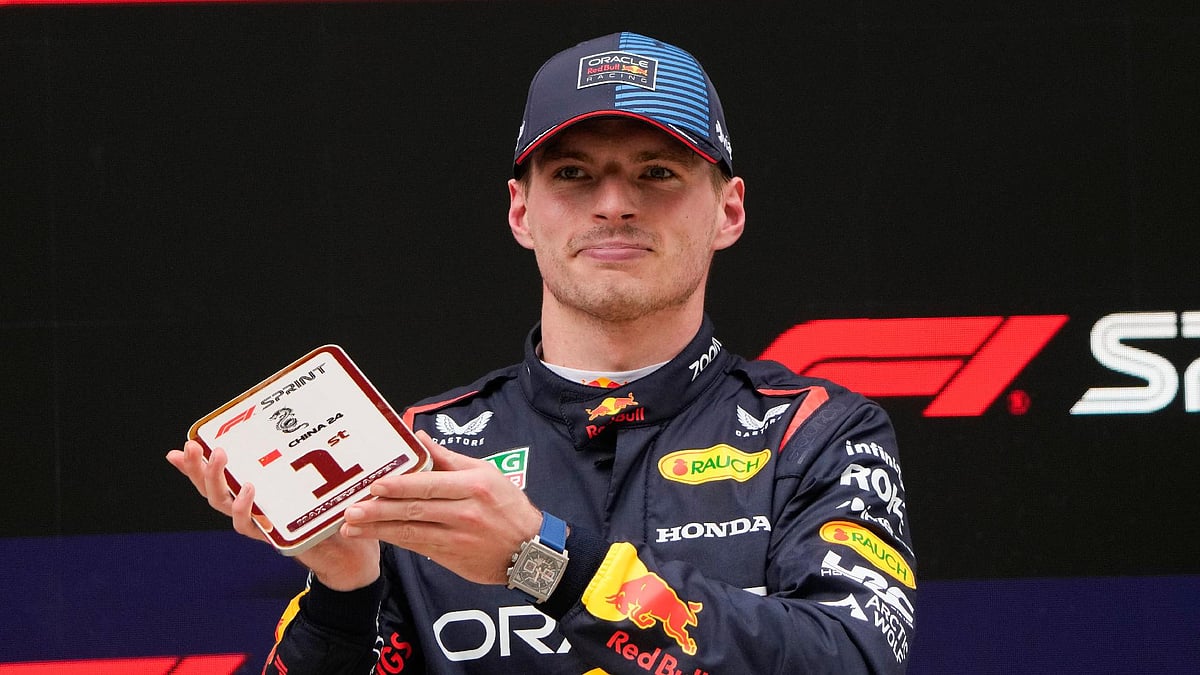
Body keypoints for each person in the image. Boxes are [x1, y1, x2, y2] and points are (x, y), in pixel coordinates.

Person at [168, 31, 916, 674]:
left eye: (657, 172)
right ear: (521, 211)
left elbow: (853, 657)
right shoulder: (419, 452)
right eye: (573, 173)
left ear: (729, 209)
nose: (614, 202)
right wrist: (343, 585)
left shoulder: (816, 434)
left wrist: (540, 558)